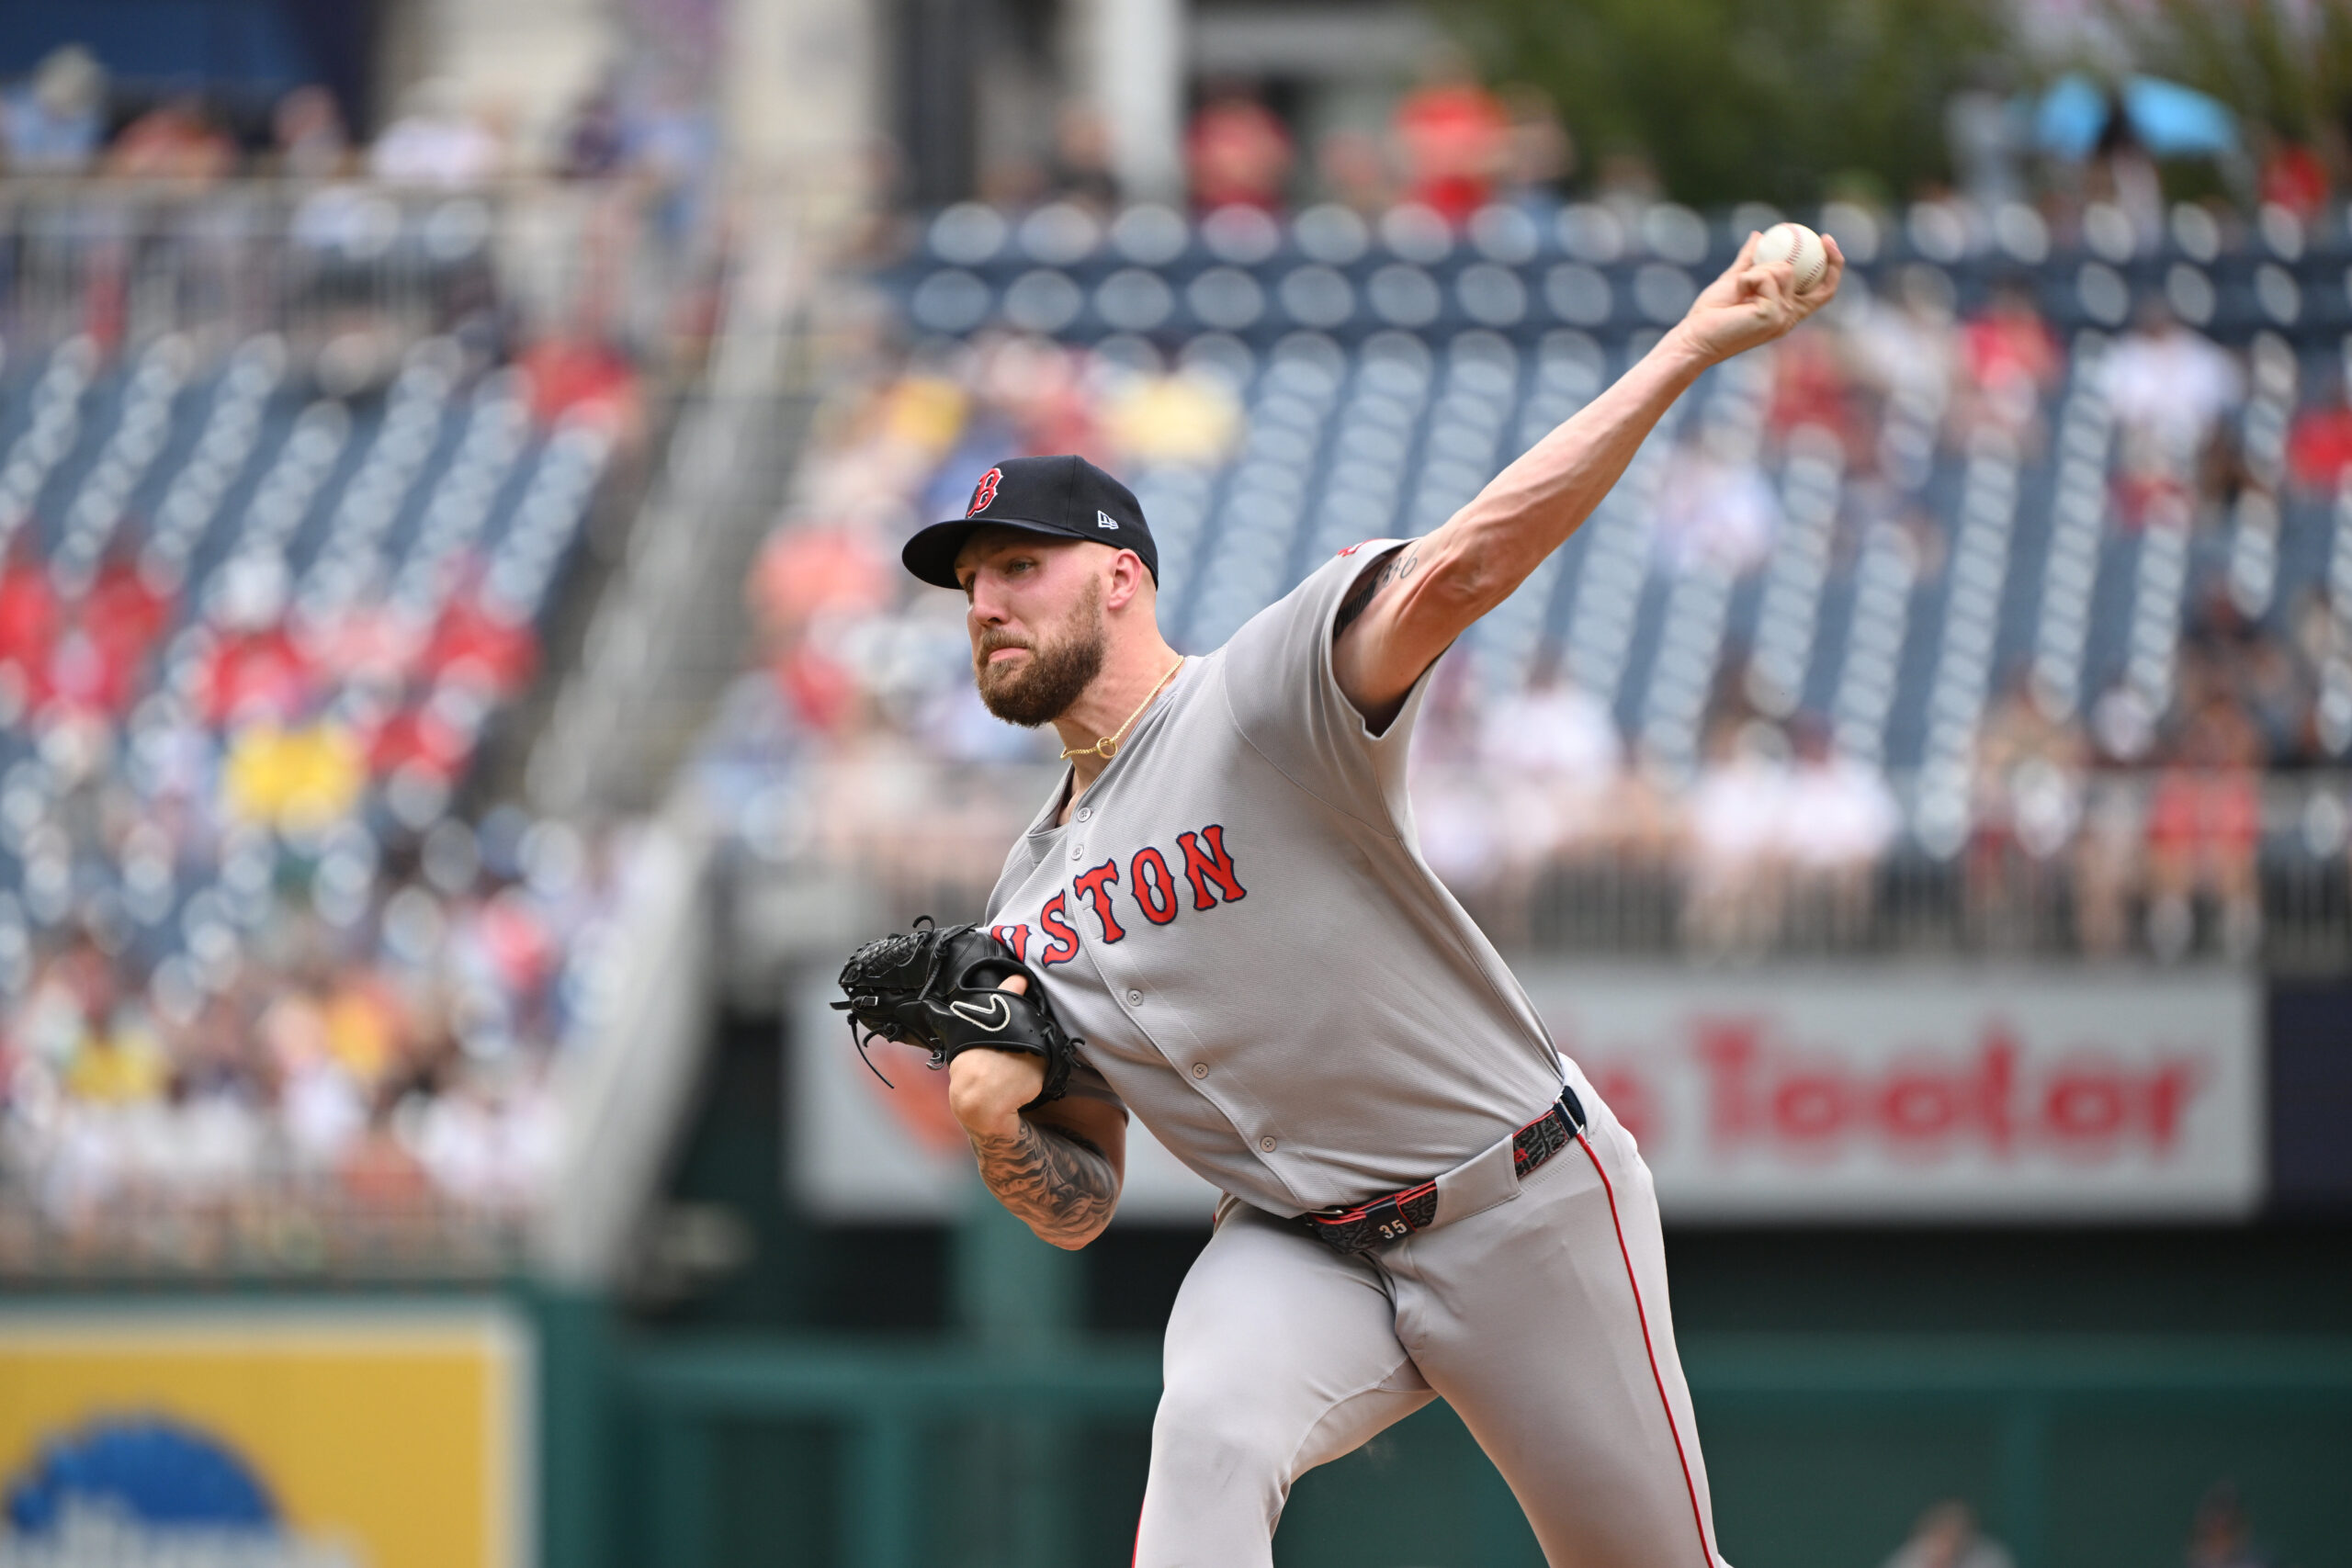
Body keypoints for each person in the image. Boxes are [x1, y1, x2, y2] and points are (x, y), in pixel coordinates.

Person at [890, 225, 1842, 1565]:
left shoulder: (1261, 699)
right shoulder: (1023, 903)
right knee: (1208, 1434)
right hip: (1299, 1248)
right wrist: (996, 1132)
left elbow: (1460, 570)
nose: (986, 601)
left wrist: (1691, 344)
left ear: (1121, 577)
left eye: (1018, 566)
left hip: (1521, 1205)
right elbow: (1085, 1196)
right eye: (972, 581)